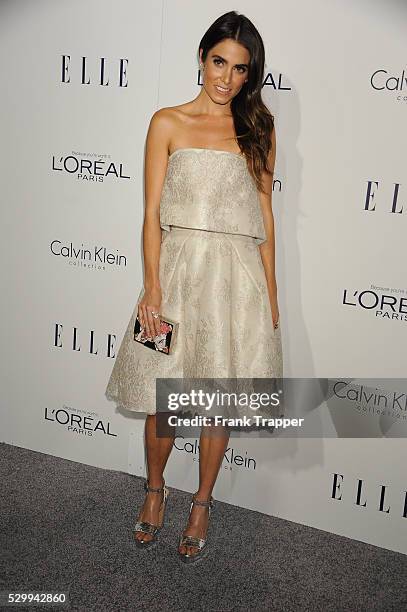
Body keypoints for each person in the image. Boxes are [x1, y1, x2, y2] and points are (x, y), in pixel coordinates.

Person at [105, 10, 283, 563]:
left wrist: (271, 289)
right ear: (202, 59)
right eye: (218, 62)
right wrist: (151, 288)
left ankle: (202, 503)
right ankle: (155, 490)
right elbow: (151, 213)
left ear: (251, 76)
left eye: (240, 69)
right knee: (163, 402)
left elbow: (264, 212)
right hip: (177, 271)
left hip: (236, 277)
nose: (227, 78)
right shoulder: (167, 122)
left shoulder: (258, 128)